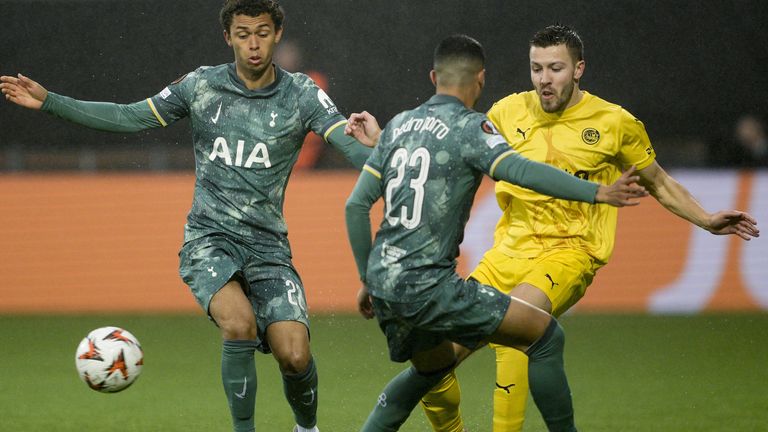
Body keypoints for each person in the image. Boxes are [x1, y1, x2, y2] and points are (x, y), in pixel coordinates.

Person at [0, 1, 374, 431]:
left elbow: (348, 145)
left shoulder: (302, 95)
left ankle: (307, 427)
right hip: (208, 241)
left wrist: (391, 158)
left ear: (278, 33)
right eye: (243, 33)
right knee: (238, 323)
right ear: (228, 37)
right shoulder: (201, 86)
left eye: (263, 32)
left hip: (268, 247)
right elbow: (128, 116)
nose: (253, 44)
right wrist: (51, 103)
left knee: (294, 355)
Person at [417, 25, 761, 432]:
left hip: (569, 251)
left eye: (556, 68)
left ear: (578, 69)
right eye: (536, 68)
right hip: (505, 253)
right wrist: (382, 142)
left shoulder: (615, 123)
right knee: (430, 360)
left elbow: (659, 182)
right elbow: (449, 153)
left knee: (514, 322)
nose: (545, 79)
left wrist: (705, 219)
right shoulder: (507, 112)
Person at [344, 34, 648, 432]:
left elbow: (354, 207)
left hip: (386, 283)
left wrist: (370, 279)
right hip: (431, 287)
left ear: (433, 76)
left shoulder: (401, 124)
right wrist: (597, 191)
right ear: (481, 80)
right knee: (544, 337)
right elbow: (522, 170)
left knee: (429, 374)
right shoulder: (472, 128)